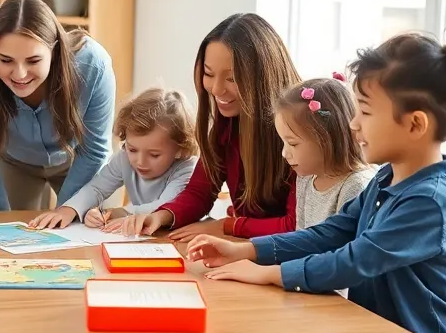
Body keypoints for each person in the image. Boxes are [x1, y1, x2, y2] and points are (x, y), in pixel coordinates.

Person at [194, 26, 446, 333]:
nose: (353, 123)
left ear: (415, 124)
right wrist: (247, 250)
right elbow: (331, 233)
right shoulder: (387, 179)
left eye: (365, 111)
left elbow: (355, 261)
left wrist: (268, 273)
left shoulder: (429, 201)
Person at [117, 13, 300, 239]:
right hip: (244, 245)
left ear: (263, 77)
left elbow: (297, 225)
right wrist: (160, 216)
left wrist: (228, 226)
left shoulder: (298, 133)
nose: (216, 89)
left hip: (281, 253)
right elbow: (199, 193)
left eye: (232, 78)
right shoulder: (227, 126)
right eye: (208, 74)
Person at [0, 0, 116, 211]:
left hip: (78, 159)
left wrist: (65, 212)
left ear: (54, 51)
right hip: (13, 161)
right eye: (6, 60)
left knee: (85, 225)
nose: (20, 74)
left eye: (33, 60)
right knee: (12, 226)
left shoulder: (93, 65)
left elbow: (95, 152)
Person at [28, 87, 197, 230]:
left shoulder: (187, 168)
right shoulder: (124, 157)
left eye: (154, 155)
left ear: (180, 149)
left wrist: (119, 212)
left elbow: (166, 206)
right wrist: (73, 209)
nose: (140, 161)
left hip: (176, 237)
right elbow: (97, 188)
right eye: (132, 149)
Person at [274, 76, 375, 231]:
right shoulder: (306, 178)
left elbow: (346, 243)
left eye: (293, 144)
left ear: (328, 139)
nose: (284, 153)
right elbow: (299, 236)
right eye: (284, 142)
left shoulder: (355, 186)